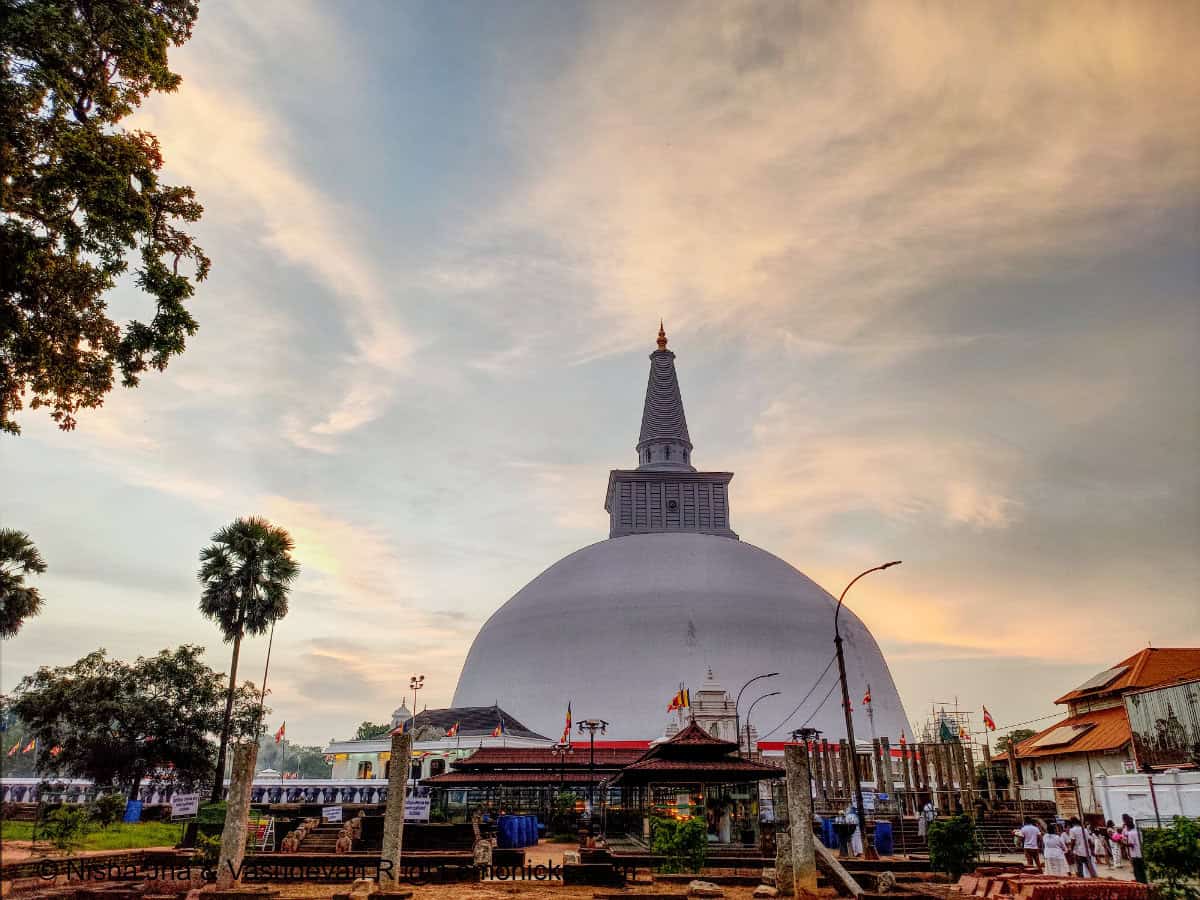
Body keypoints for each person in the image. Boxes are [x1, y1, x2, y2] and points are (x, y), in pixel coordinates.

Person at [1123, 814, 1146, 884]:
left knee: (1137, 870)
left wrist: (1122, 843)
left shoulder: (1131, 833)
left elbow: (1131, 844)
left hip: (1135, 854)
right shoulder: (1139, 831)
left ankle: (1140, 883)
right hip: (1140, 852)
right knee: (1142, 870)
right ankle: (1144, 882)